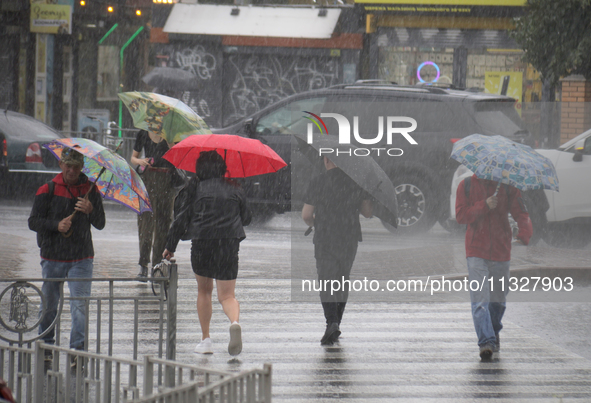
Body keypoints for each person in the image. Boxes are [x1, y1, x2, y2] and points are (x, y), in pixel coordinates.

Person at [162, 151, 251, 356]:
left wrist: (170, 246)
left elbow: (180, 220)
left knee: (204, 292)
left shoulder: (194, 188)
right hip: (229, 245)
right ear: (222, 167)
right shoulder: (235, 187)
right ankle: (234, 322)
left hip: (202, 245)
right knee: (227, 296)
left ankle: (206, 340)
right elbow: (246, 218)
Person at [28, 148, 105, 365]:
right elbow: (33, 221)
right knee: (49, 306)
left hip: (81, 258)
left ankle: (77, 352)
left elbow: (100, 223)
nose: (71, 170)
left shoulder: (90, 190)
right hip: (52, 258)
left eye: (76, 166)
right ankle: (46, 347)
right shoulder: (47, 189)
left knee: (79, 305)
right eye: (67, 165)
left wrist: (91, 210)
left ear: (82, 167)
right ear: (61, 165)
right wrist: (56, 225)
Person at [455, 175, 532, 360]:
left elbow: (521, 212)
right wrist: (484, 205)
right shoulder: (465, 185)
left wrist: (524, 233)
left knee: (498, 300)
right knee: (480, 301)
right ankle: (486, 342)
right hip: (476, 251)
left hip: (501, 250)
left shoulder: (507, 187)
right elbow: (461, 216)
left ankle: (494, 330)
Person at [301, 156, 373, 346]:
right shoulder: (357, 181)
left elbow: (306, 215)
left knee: (326, 281)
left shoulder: (318, 181)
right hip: (349, 238)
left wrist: (316, 222)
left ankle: (331, 322)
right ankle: (337, 322)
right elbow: (367, 213)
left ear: (326, 160)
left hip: (325, 237)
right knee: (341, 280)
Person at [131, 129, 176, 280]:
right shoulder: (143, 133)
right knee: (146, 222)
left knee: (164, 222)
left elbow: (177, 155)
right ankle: (143, 264)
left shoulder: (171, 134)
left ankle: (157, 265)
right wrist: (141, 161)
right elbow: (133, 158)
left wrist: (169, 140)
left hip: (166, 180)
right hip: (148, 179)